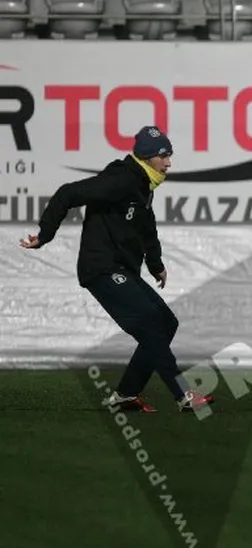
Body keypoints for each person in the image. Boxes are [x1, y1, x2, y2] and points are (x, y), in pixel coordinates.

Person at [18, 126, 214, 414]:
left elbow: (147, 227)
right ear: (146, 156)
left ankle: (126, 395)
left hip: (122, 268)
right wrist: (45, 235)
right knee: (151, 320)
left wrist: (156, 264)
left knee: (166, 322)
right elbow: (67, 193)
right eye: (163, 156)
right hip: (101, 268)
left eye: (169, 155)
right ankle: (183, 394)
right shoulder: (121, 180)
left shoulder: (143, 184)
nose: (169, 163)